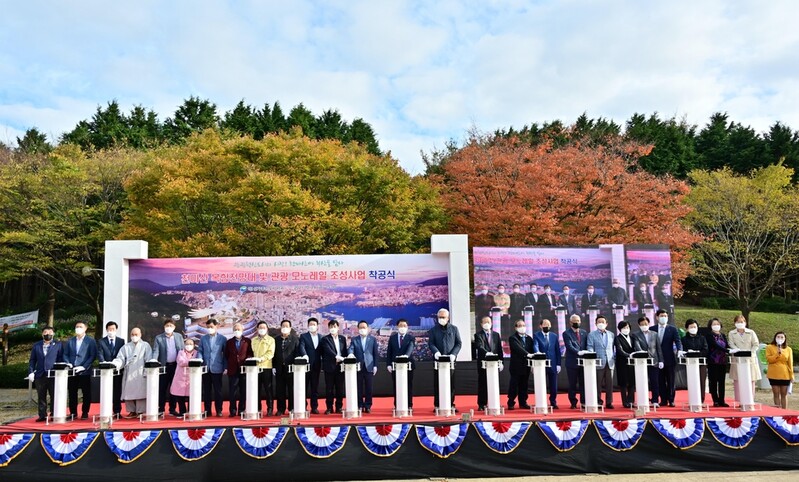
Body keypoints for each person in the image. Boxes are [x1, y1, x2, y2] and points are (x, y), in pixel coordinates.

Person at [112, 327, 152, 418]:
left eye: (136, 334)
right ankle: (132, 411)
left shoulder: (145, 345)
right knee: (128, 392)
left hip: (140, 372)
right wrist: (115, 364)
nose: (134, 336)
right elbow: (120, 359)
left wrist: (146, 372)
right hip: (129, 372)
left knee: (140, 392)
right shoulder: (126, 347)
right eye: (132, 335)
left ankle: (140, 411)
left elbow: (149, 359)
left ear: (140, 335)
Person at [428, 308, 462, 411]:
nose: (441, 319)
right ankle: (437, 405)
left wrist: (454, 354)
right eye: (440, 317)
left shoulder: (454, 329)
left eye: (443, 317)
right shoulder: (433, 330)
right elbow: (431, 343)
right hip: (438, 361)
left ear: (448, 318)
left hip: (450, 361)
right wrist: (436, 352)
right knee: (438, 383)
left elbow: (458, 343)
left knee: (451, 383)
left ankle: (451, 404)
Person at [62, 320, 97, 420]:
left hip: (84, 371)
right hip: (72, 370)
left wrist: (84, 366)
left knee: (86, 392)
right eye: (77, 326)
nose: (78, 328)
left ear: (85, 328)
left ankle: (85, 412)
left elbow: (92, 355)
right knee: (72, 392)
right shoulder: (70, 340)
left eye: (80, 326)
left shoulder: (90, 341)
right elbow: (65, 354)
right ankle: (73, 412)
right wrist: (68, 362)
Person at [28, 326, 63, 421]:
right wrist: (31, 372)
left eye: (50, 332)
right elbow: (32, 360)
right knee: (41, 395)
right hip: (40, 374)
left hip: (53, 374)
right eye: (45, 332)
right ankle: (42, 415)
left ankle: (53, 413)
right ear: (42, 334)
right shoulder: (36, 345)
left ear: (53, 334)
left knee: (54, 395)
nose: (48, 334)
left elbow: (60, 359)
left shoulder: (58, 344)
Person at [153, 317, 184, 417]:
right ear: (164, 327)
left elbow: (182, 350)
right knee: (162, 388)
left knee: (174, 388)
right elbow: (156, 351)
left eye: (171, 326)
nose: (168, 327)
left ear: (174, 327)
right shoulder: (159, 338)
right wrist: (154, 360)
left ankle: (172, 409)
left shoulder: (179, 336)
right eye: (167, 326)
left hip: (176, 366)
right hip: (164, 366)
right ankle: (161, 409)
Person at [727, 314, 761, 402]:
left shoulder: (751, 332)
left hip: (750, 359)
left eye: (742, 322)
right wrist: (738, 351)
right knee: (738, 380)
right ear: (735, 323)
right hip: (737, 358)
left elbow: (756, 344)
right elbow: (731, 344)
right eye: (738, 322)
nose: (740, 323)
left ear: (745, 322)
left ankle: (750, 400)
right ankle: (738, 401)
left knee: (751, 380)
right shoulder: (731, 333)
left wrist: (750, 352)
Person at [653, 309, 683, 407]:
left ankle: (671, 400)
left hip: (669, 358)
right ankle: (663, 400)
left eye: (665, 316)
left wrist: (679, 350)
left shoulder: (672, 329)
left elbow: (678, 341)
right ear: (657, 317)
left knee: (671, 380)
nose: (663, 318)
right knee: (660, 380)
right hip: (657, 359)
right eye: (661, 316)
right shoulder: (652, 329)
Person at [349, 320, 379, 413]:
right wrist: (350, 354)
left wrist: (375, 366)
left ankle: (368, 405)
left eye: (364, 327)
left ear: (368, 329)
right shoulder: (354, 339)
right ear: (358, 329)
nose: (362, 329)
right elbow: (351, 348)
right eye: (361, 328)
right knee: (358, 387)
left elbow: (375, 353)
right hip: (358, 367)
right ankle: (360, 405)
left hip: (369, 366)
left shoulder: (372, 339)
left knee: (369, 388)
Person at [473, 315, 502, 411]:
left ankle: (494, 403)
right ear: (481, 324)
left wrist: (500, 361)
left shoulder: (496, 335)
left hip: (494, 364)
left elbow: (499, 349)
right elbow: (479, 346)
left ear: (492, 323)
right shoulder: (478, 335)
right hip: (483, 363)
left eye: (488, 322)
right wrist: (487, 353)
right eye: (484, 322)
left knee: (494, 383)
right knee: (483, 383)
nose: (487, 324)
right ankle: (482, 404)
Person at [224, 322, 253, 417]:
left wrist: (246, 360)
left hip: (244, 369)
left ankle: (241, 409)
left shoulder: (247, 341)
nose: (237, 331)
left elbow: (250, 353)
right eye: (235, 329)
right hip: (232, 369)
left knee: (243, 391)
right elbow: (226, 355)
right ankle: (232, 410)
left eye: (238, 329)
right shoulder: (229, 342)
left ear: (242, 330)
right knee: (232, 391)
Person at [199, 318, 226, 417]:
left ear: (216, 326)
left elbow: (225, 354)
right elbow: (200, 351)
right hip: (206, 367)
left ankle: (219, 410)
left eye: (211, 327)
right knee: (206, 391)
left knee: (218, 391)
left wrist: (225, 367)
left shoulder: (222, 339)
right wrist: (200, 360)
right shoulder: (203, 338)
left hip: (217, 367)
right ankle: (207, 410)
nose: (210, 329)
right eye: (208, 327)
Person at [633, 316, 663, 407]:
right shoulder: (635, 334)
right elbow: (637, 346)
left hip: (654, 361)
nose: (644, 326)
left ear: (648, 324)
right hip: (642, 362)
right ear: (639, 325)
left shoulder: (654, 334)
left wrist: (661, 360)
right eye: (642, 324)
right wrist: (643, 354)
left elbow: (658, 348)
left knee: (655, 381)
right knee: (643, 382)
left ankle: (655, 400)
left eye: (645, 324)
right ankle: (644, 400)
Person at [386, 318, 415, 410]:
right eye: (400, 326)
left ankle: (409, 405)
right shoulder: (392, 338)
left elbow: (410, 348)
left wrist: (406, 356)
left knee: (408, 385)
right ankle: (397, 405)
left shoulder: (411, 337)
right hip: (395, 366)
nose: (402, 327)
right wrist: (388, 364)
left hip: (408, 366)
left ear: (407, 327)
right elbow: (389, 352)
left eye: (404, 326)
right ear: (397, 327)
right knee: (396, 385)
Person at [587, 315, 615, 409]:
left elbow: (613, 348)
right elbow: (590, 346)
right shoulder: (592, 334)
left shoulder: (611, 334)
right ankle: (598, 401)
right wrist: (591, 354)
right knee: (598, 384)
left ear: (606, 324)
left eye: (603, 322)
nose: (601, 324)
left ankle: (609, 402)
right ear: (595, 324)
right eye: (599, 322)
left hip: (610, 362)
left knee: (610, 384)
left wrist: (613, 357)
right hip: (598, 362)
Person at [97, 321, 125, 416]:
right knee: (106, 391)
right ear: (106, 330)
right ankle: (106, 411)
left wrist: (116, 365)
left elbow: (122, 354)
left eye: (113, 329)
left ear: (116, 330)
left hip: (117, 370)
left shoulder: (121, 341)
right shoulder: (101, 341)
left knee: (117, 391)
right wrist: (104, 363)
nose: (111, 331)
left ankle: (117, 411)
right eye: (109, 329)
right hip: (106, 371)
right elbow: (100, 354)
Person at [533, 318, 562, 409]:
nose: (547, 326)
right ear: (541, 326)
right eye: (545, 324)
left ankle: (553, 402)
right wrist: (537, 353)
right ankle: (542, 402)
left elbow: (557, 351)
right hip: (541, 364)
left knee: (553, 384)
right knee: (541, 384)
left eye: (548, 324)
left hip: (553, 364)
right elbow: (535, 346)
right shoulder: (536, 335)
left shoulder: (554, 336)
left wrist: (558, 364)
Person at [273, 319, 299, 415]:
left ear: (290, 328)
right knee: (280, 390)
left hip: (291, 368)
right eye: (283, 326)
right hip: (279, 368)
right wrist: (274, 367)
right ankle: (280, 409)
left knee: (292, 389)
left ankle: (292, 408)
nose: (284, 328)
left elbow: (297, 353)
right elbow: (274, 354)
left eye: (286, 326)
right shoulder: (276, 340)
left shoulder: (295, 339)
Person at [321, 319, 347, 414]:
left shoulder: (342, 338)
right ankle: (329, 408)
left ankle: (339, 407)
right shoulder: (325, 339)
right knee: (329, 389)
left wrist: (345, 359)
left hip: (340, 367)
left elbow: (344, 351)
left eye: (334, 326)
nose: (332, 328)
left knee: (340, 389)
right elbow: (328, 350)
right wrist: (336, 357)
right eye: (331, 327)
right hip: (330, 367)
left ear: (338, 328)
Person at [507, 319, 534, 410]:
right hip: (516, 366)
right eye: (519, 325)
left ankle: (523, 402)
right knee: (514, 385)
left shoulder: (529, 338)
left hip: (526, 365)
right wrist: (527, 354)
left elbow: (532, 349)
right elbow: (518, 348)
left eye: (523, 325)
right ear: (516, 327)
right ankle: (511, 402)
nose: (522, 327)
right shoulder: (513, 338)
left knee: (524, 385)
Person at [681, 319, 709, 405]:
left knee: (701, 381)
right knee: (691, 381)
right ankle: (693, 399)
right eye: (691, 327)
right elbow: (683, 350)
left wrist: (698, 353)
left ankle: (701, 399)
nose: (693, 328)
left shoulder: (702, 338)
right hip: (690, 363)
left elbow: (705, 350)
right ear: (687, 328)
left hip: (701, 362)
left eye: (695, 327)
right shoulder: (684, 339)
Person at [563, 314, 588, 409]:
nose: (576, 322)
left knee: (583, 383)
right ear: (570, 322)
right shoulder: (566, 333)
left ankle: (583, 402)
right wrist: (579, 352)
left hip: (583, 363)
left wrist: (586, 352)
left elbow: (586, 345)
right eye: (574, 321)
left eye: (578, 321)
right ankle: (573, 402)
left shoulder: (584, 332)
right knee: (572, 383)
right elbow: (569, 346)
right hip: (572, 362)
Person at [298, 317, 322, 414]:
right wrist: (305, 355)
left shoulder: (321, 337)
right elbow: (301, 346)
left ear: (317, 326)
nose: (312, 326)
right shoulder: (304, 336)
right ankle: (303, 406)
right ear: (308, 326)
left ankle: (314, 407)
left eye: (314, 325)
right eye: (310, 325)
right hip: (306, 366)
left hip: (317, 365)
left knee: (314, 387)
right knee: (304, 387)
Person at [251, 321, 275, 416]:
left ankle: (270, 408)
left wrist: (261, 359)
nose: (262, 329)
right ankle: (258, 408)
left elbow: (270, 353)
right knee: (256, 389)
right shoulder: (253, 340)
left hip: (266, 367)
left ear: (267, 329)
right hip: (255, 369)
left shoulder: (271, 340)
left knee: (268, 389)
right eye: (260, 327)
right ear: (257, 329)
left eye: (264, 327)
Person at [614, 321, 640, 408]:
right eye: (624, 328)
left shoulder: (632, 338)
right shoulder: (617, 338)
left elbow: (636, 347)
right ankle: (625, 402)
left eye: (627, 327)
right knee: (623, 383)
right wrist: (629, 355)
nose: (626, 329)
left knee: (632, 382)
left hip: (632, 363)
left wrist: (637, 353)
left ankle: (631, 401)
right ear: (620, 329)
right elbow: (619, 350)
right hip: (622, 362)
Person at [705, 318, 730, 407]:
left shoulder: (722, 335)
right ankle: (715, 400)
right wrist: (726, 350)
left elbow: (727, 345)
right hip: (713, 361)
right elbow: (715, 345)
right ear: (710, 326)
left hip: (722, 361)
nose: (716, 326)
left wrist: (731, 349)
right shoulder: (709, 335)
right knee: (713, 381)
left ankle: (721, 400)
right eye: (714, 324)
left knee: (722, 381)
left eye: (718, 324)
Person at [766, 331, 794, 409]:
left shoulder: (788, 349)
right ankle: (777, 412)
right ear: (775, 338)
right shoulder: (769, 347)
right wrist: (777, 354)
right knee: (776, 393)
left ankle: (784, 412)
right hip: (773, 374)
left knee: (784, 394)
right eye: (778, 337)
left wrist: (791, 375)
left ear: (785, 339)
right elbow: (769, 359)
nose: (780, 339)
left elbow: (790, 362)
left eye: (782, 337)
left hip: (785, 374)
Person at [170, 337, 197, 416]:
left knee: (191, 396)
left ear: (194, 345)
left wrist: (191, 362)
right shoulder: (181, 352)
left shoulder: (196, 353)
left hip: (192, 378)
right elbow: (181, 362)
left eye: (190, 344)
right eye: (187, 344)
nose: (188, 345)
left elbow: (198, 362)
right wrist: (191, 362)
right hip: (180, 377)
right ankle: (182, 412)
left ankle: (191, 411)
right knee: (180, 396)